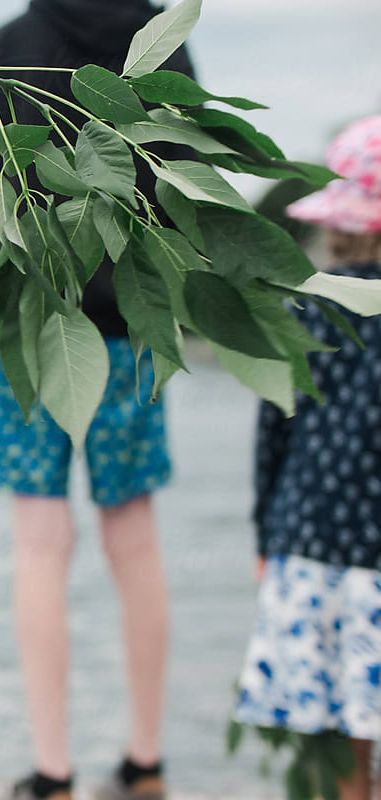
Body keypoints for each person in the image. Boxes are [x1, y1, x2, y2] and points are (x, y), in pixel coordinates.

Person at [0, 1, 197, 798]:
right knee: (135, 539)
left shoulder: (0, 50)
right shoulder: (160, 42)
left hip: (31, 325)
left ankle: (53, 772)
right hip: (129, 327)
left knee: (38, 542)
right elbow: (182, 184)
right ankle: (148, 760)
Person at [234, 114, 381, 800]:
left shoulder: (307, 306)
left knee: (329, 727)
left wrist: (266, 531)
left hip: (311, 533)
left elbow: (275, 428)